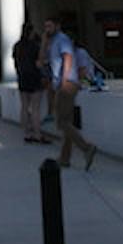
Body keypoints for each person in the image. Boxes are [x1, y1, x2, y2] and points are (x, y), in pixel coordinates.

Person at [43, 17, 98, 171]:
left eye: (49, 26)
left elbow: (68, 57)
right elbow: (41, 61)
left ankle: (86, 148)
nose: (47, 29)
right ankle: (65, 157)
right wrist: (43, 41)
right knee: (67, 122)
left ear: (57, 26)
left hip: (66, 84)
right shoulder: (53, 42)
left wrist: (65, 80)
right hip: (62, 83)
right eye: (45, 26)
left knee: (61, 122)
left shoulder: (62, 40)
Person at [13, 24, 49, 143]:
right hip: (34, 77)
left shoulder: (17, 46)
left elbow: (16, 62)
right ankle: (38, 134)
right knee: (35, 108)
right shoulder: (34, 46)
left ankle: (27, 133)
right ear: (31, 32)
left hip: (22, 77)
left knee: (24, 106)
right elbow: (40, 62)